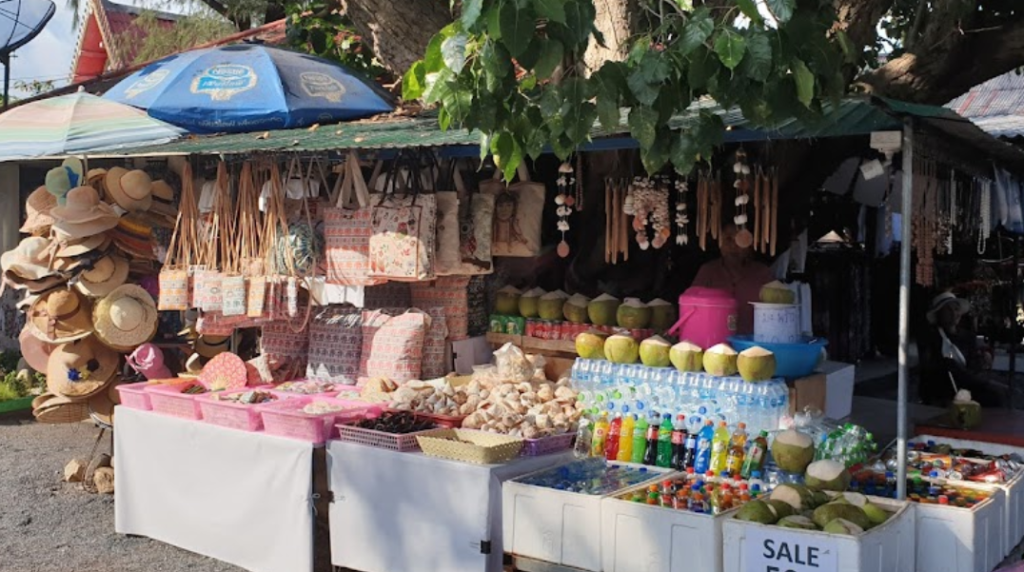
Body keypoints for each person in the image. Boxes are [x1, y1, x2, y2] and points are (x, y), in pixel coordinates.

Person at [918, 292, 1001, 407]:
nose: (954, 313)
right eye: (948, 310)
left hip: (967, 386)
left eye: (956, 309)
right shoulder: (930, 337)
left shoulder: (967, 337)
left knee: (994, 397)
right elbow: (929, 369)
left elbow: (973, 363)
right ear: (939, 314)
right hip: (942, 390)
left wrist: (983, 358)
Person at [691, 224, 775, 334]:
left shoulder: (763, 273)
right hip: (714, 343)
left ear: (751, 243)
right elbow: (691, 307)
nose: (733, 245)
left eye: (739, 239)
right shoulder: (708, 271)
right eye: (728, 239)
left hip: (754, 345)